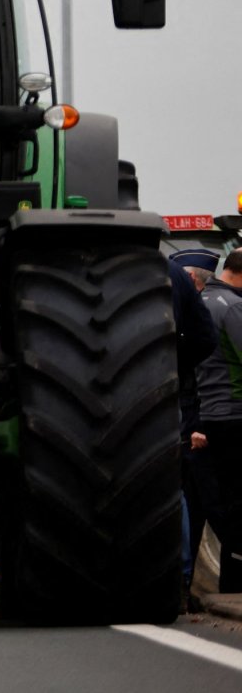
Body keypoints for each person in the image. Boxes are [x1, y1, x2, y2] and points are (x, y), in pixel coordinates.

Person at [195, 248, 242, 594]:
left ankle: (231, 582)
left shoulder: (204, 301)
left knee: (226, 502)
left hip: (210, 413)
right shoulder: (234, 307)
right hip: (236, 412)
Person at [174, 244, 220, 601]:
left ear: (191, 278)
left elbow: (205, 380)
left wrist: (198, 423)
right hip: (190, 417)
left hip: (196, 418)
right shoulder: (201, 312)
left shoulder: (207, 312)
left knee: (194, 499)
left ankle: (188, 577)